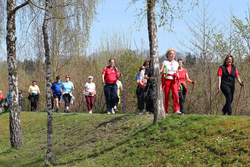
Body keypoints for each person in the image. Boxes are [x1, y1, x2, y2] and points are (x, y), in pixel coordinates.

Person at [160, 49, 181, 115]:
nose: (172, 55)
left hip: (174, 80)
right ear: (168, 55)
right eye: (171, 54)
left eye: (173, 54)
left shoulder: (176, 63)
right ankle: (166, 111)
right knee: (166, 95)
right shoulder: (164, 62)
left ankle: (177, 110)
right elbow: (161, 70)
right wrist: (162, 72)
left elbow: (177, 71)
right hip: (166, 79)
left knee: (175, 94)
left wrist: (177, 75)